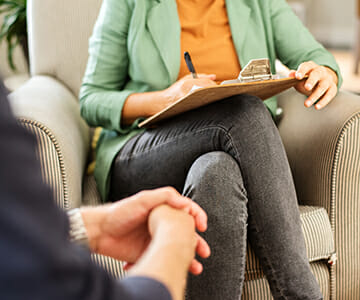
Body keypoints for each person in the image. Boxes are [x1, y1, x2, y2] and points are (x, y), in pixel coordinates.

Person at [79, 0, 342, 299]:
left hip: (229, 150)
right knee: (245, 112)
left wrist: (323, 72)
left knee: (217, 172)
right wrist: (166, 98)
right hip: (145, 151)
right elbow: (92, 99)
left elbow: (314, 56)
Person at [0, 79, 211, 300]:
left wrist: (95, 227)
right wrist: (174, 236)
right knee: (239, 114)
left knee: (215, 169)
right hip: (141, 143)